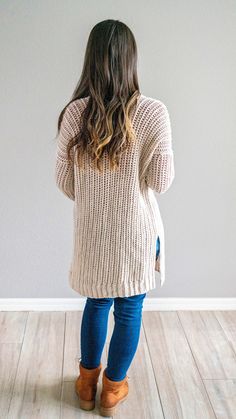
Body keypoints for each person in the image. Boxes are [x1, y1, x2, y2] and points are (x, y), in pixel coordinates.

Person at [55, 19, 175, 417]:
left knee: (97, 301)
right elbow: (161, 181)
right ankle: (112, 390)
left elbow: (64, 182)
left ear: (91, 60)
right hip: (136, 233)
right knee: (129, 308)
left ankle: (86, 383)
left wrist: (94, 201)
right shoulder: (154, 113)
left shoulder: (74, 114)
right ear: (130, 60)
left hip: (92, 232)